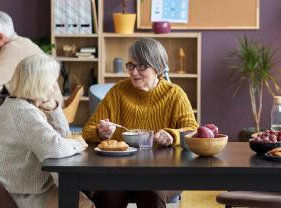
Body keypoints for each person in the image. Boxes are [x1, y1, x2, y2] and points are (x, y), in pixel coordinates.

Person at [82, 38, 198, 208]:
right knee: (106, 195)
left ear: (157, 67)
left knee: (151, 194)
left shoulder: (175, 94)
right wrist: (100, 132)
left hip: (163, 172)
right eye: (131, 65)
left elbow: (192, 131)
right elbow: (87, 130)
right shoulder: (118, 92)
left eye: (141, 66)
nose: (134, 72)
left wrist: (172, 135)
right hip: (120, 171)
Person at [0, 54, 94, 208]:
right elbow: (56, 147)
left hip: (7, 189)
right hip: (18, 197)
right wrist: (78, 144)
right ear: (39, 83)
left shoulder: (15, 105)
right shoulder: (25, 114)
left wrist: (53, 108)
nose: (55, 87)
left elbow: (63, 134)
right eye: (53, 81)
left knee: (78, 195)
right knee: (83, 203)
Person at [0, 11, 62, 103]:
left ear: (1, 37)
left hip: (47, 112)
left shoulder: (12, 49)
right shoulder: (21, 43)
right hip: (52, 109)